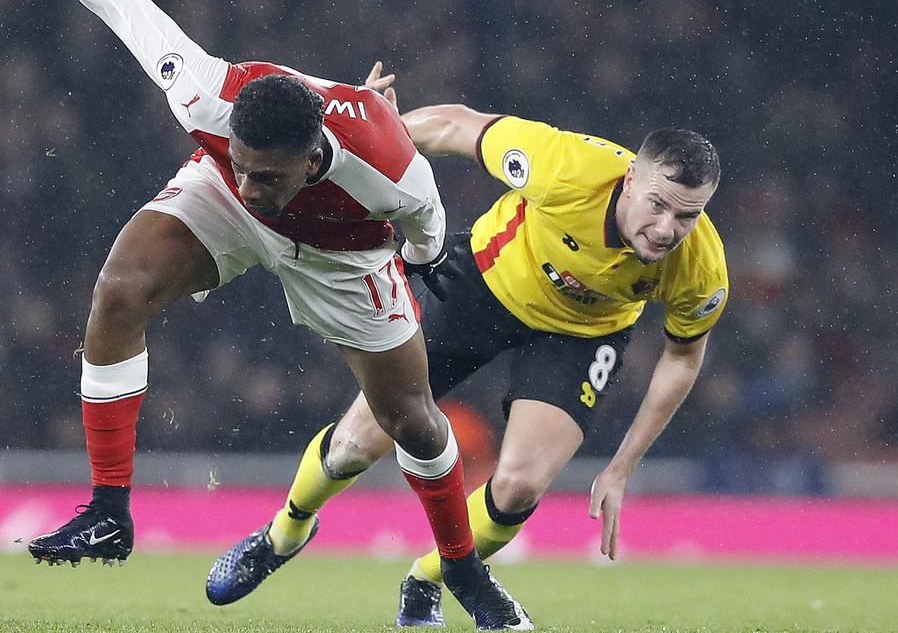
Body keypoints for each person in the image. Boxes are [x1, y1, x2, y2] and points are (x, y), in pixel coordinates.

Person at [0, 0, 530, 628]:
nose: (251, 179)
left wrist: (407, 274)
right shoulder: (207, 97)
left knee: (411, 422)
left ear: (311, 157)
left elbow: (424, 243)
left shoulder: (393, 176)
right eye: (240, 158)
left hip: (345, 251)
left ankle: (461, 569)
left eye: (265, 172)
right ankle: (109, 511)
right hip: (222, 209)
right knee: (118, 292)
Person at [210, 69, 728, 628]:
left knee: (520, 486)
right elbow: (456, 125)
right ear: (629, 181)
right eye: (659, 205)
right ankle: (283, 534)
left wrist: (623, 467)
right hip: (480, 285)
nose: (669, 228)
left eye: (688, 215)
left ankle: (429, 580)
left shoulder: (702, 267)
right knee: (356, 445)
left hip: (582, 334)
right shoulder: (565, 167)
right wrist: (372, 141)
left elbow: (682, 357)